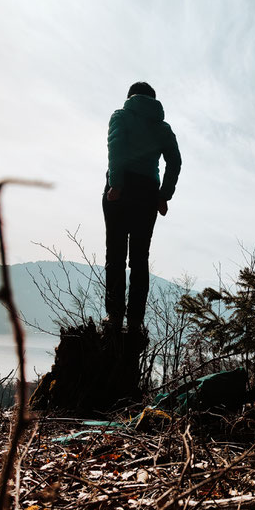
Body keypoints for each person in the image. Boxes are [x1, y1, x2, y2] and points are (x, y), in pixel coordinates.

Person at [103, 82, 181, 332]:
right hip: (148, 193)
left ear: (130, 97)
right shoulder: (163, 128)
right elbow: (175, 162)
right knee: (140, 258)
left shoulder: (121, 116)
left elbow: (115, 148)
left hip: (122, 187)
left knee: (115, 253)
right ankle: (135, 321)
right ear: (153, 100)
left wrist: (116, 184)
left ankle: (115, 318)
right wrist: (164, 195)